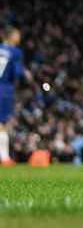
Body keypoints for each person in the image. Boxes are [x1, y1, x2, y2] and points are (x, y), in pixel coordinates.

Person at [0, 26, 28, 166]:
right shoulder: (15, 52)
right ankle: (4, 158)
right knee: (2, 124)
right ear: (10, 36)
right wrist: (27, 75)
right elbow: (19, 73)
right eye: (17, 35)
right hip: (4, 90)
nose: (19, 38)